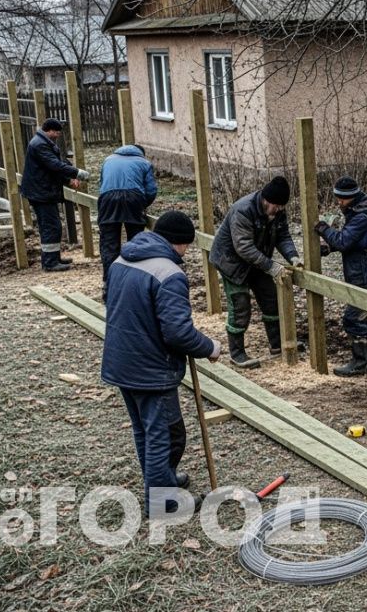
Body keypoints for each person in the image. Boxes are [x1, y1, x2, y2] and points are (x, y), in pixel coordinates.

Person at [100, 211, 220, 516]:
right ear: (180, 243)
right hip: (150, 368)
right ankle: (163, 502)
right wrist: (209, 347)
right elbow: (178, 332)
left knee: (145, 430)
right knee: (164, 434)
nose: (186, 253)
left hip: (121, 359)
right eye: (187, 247)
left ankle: (162, 480)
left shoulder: (120, 260)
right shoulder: (169, 273)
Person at [208, 176, 303, 368]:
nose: (278, 210)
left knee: (271, 299)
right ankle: (237, 353)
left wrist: (293, 256)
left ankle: (277, 345)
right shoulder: (243, 210)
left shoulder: (278, 211)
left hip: (257, 261)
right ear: (266, 201)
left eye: (281, 207)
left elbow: (283, 235)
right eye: (276, 206)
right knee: (240, 305)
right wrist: (272, 266)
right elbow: (243, 247)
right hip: (232, 263)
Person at [315, 176, 367, 376]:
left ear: (352, 197)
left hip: (366, 273)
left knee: (353, 317)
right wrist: (330, 246)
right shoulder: (359, 211)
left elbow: (344, 241)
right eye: (337, 198)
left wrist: (324, 230)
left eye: (342, 199)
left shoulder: (360, 217)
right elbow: (354, 241)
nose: (339, 202)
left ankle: (359, 361)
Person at [20, 118, 90, 271]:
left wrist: (68, 179)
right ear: (49, 130)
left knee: (53, 226)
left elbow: (56, 165)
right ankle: (50, 263)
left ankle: (53, 257)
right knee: (51, 226)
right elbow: (54, 165)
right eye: (57, 132)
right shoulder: (40, 145)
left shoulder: (44, 142)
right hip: (41, 193)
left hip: (43, 191)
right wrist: (77, 173)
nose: (58, 135)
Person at [97, 144, 157, 291]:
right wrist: (143, 204)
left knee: (109, 243)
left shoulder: (108, 160)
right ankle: (134, 281)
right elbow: (151, 190)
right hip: (133, 198)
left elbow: (102, 183)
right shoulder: (144, 163)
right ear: (141, 154)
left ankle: (109, 284)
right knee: (136, 240)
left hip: (108, 199)